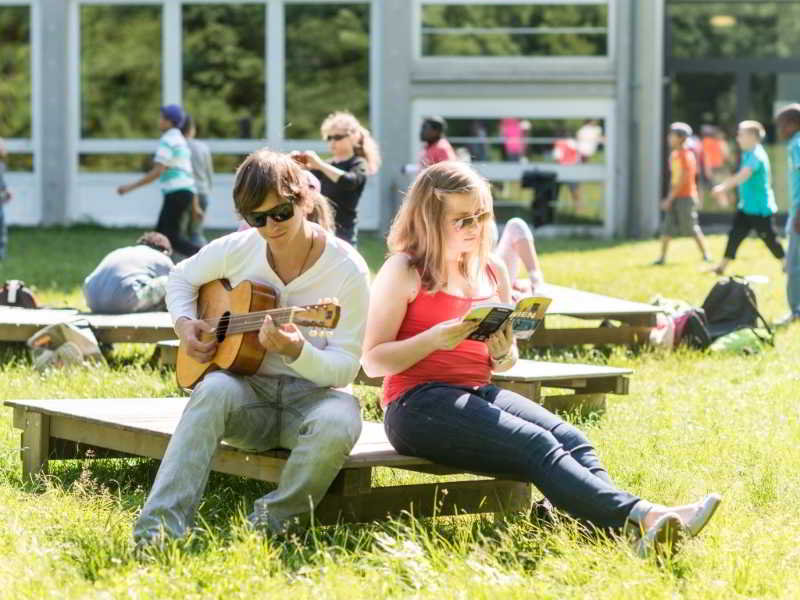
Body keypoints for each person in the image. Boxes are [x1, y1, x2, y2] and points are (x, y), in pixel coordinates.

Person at [362, 160, 721, 558]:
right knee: (535, 443)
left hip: (478, 391)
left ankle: (605, 530)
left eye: (480, 215)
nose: (475, 227)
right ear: (429, 218)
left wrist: (503, 352)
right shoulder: (405, 269)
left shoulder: (492, 270)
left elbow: (504, 364)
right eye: (461, 219)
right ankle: (647, 516)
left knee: (573, 440)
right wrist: (433, 339)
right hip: (417, 405)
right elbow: (374, 362)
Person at [133, 149, 370, 545]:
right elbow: (180, 278)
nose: (271, 226)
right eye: (256, 219)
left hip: (312, 401)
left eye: (280, 212)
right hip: (248, 394)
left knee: (342, 417)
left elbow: (346, 367)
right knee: (211, 388)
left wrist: (299, 352)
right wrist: (185, 324)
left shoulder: (346, 268)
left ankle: (269, 526)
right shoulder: (238, 248)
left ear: (303, 199)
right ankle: (157, 531)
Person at [117, 104, 201, 258]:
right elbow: (189, 175)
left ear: (170, 122)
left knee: (170, 238)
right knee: (159, 236)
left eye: (162, 118)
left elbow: (158, 171)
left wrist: (129, 187)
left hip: (176, 193)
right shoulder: (181, 140)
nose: (159, 121)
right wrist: (195, 206)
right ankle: (157, 266)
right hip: (184, 193)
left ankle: (205, 255)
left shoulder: (168, 140)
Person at [292, 111, 381, 247]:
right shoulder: (326, 166)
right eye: (329, 138)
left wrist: (320, 165)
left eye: (338, 137)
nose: (332, 142)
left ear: (353, 137)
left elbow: (350, 181)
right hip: (323, 230)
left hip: (345, 233)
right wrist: (296, 165)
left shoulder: (358, 163)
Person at [709, 121, 785, 276]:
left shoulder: (757, 155)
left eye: (741, 134)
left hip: (759, 208)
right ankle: (721, 267)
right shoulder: (748, 153)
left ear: (752, 136)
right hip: (746, 206)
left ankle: (787, 264)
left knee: (770, 239)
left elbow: (744, 175)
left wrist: (722, 188)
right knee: (735, 235)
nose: (738, 138)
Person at [653, 123, 712, 266]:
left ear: (681, 138)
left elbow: (683, 180)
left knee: (691, 227)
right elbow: (674, 179)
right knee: (667, 227)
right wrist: (670, 197)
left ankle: (705, 254)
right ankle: (662, 257)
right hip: (675, 196)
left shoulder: (686, 156)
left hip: (685, 197)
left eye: (672, 135)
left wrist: (669, 198)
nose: (669, 138)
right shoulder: (674, 155)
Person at [83, 232, 174, 313]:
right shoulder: (161, 256)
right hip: (122, 302)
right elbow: (179, 282)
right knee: (173, 281)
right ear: (165, 251)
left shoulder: (120, 251)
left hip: (91, 300)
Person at [776, 104, 800, 326]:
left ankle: (796, 310)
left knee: (793, 265)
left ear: (793, 124)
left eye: (782, 124)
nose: (779, 129)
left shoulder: (797, 144)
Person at [180, 114, 214, 247]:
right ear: (191, 129)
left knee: (180, 235)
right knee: (196, 233)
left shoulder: (178, 146)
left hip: (184, 193)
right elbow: (209, 174)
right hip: (202, 193)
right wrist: (207, 192)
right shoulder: (203, 147)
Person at [492, 218, 545, 299]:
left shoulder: (485, 209)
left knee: (516, 225)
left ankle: (537, 286)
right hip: (478, 280)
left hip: (494, 270)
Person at [0, 138, 11, 261]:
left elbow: (2, 183)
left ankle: (1, 254)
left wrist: (6, 192)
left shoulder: (2, 166)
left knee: (2, 229)